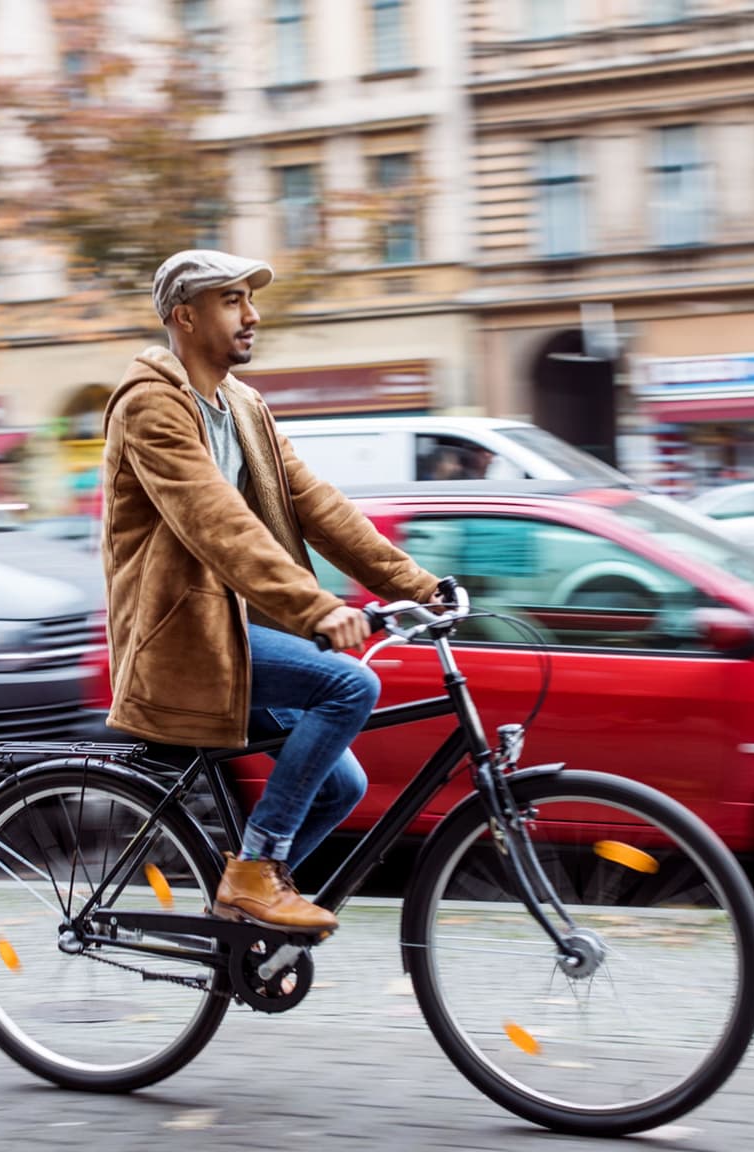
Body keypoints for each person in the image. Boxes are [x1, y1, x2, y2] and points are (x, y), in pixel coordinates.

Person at [99, 250, 446, 935]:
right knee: (350, 688)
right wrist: (316, 608)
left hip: (237, 628)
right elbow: (215, 521)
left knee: (342, 785)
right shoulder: (150, 406)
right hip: (183, 636)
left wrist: (421, 586)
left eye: (249, 300)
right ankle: (255, 873)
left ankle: (243, 916)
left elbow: (317, 505)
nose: (252, 315)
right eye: (232, 300)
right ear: (185, 315)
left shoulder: (246, 408)